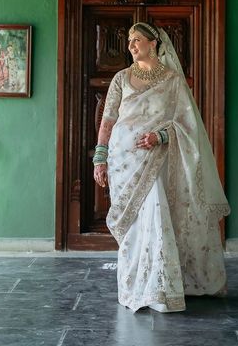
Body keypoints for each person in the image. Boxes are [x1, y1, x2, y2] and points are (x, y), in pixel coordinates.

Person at [93, 22, 230, 313]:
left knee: (156, 217)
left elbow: (188, 125)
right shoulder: (121, 78)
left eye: (137, 40)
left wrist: (161, 136)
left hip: (159, 160)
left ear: (153, 43)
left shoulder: (172, 80)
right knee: (135, 227)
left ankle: (159, 289)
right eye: (129, 40)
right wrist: (100, 157)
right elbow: (107, 120)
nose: (131, 45)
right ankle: (136, 285)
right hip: (125, 161)